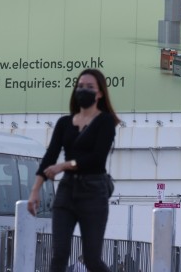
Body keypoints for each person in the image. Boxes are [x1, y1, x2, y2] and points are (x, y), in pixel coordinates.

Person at [28, 69, 119, 272]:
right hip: (67, 192)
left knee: (91, 259)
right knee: (59, 255)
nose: (83, 90)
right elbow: (50, 156)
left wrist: (64, 165)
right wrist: (35, 190)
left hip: (93, 191)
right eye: (80, 86)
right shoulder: (64, 123)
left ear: (100, 93)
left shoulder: (105, 122)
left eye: (89, 87)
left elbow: (96, 159)